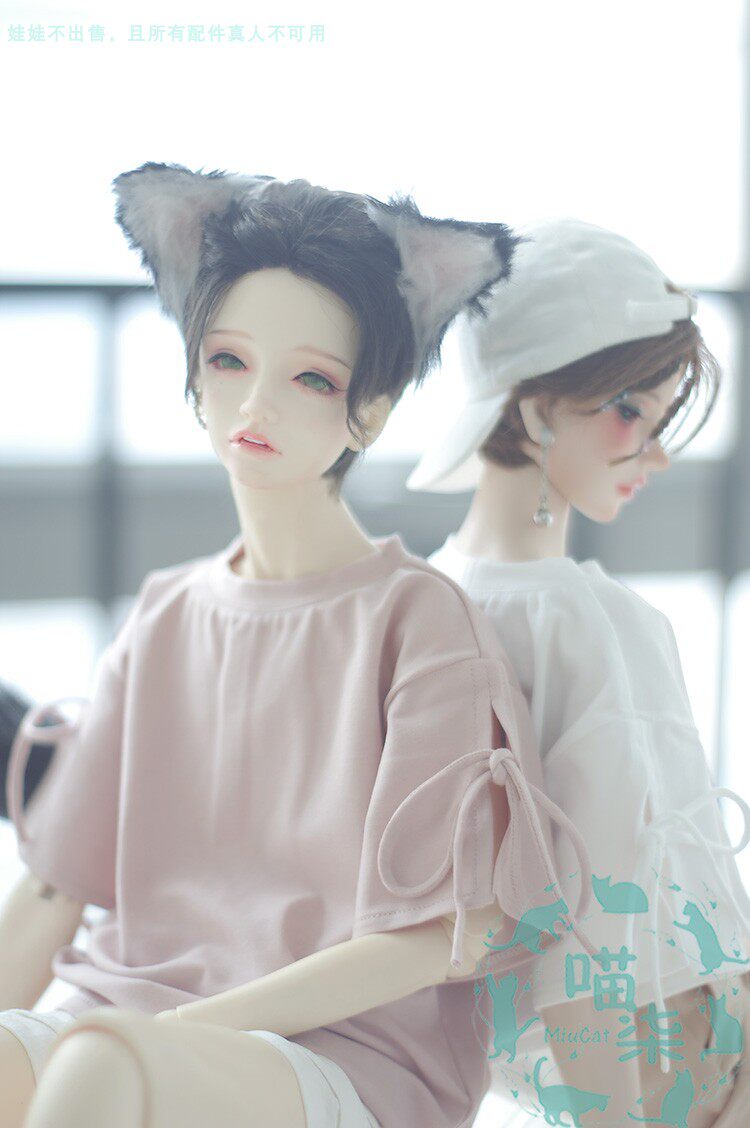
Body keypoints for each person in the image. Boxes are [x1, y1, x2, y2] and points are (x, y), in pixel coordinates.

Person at [0, 168, 595, 1128]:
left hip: (344, 1062)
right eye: (228, 360)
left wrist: (176, 1032)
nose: (256, 405)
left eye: (311, 377)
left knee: (102, 1066)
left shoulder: (418, 623)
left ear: (373, 408)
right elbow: (52, 889)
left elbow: (445, 932)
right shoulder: (166, 615)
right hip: (123, 1022)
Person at [407, 217, 750, 1126]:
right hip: (684, 1059)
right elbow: (596, 905)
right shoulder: (588, 620)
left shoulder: (427, 594)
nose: (655, 454)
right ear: (533, 410)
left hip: (530, 1062)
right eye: (631, 413)